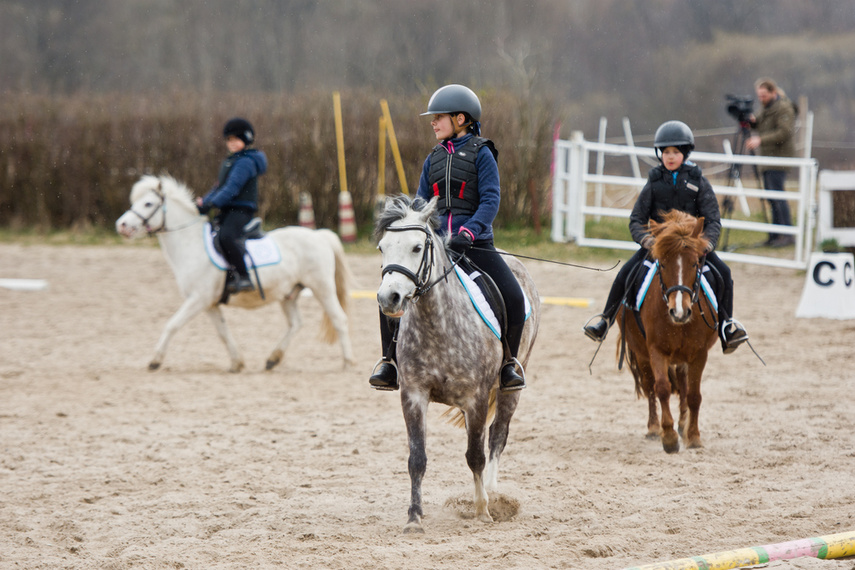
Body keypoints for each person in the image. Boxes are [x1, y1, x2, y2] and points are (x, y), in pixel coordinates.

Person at [369, 84, 528, 392]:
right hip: (436, 247)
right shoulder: (433, 158)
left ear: (460, 118)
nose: (432, 122)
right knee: (391, 291)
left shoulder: (483, 154)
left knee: (514, 297)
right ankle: (389, 362)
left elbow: (490, 200)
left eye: (438, 117)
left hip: (476, 245)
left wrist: (469, 232)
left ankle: (509, 363)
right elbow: (421, 201)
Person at [582, 120, 749, 354]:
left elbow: (712, 220)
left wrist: (707, 244)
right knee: (625, 273)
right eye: (666, 152)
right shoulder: (654, 181)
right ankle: (605, 321)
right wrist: (649, 241)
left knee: (725, 274)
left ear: (685, 153)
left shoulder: (698, 181)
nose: (670, 157)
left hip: (692, 248)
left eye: (675, 152)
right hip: (660, 247)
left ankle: (726, 327)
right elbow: (636, 220)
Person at [196, 117, 268, 294]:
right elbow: (218, 187)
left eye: (236, 139)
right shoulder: (230, 161)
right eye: (229, 140)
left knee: (226, 237)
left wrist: (213, 204)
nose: (232, 143)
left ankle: (244, 277)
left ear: (246, 139)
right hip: (228, 209)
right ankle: (226, 276)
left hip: (242, 210)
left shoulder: (246, 162)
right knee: (212, 236)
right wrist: (204, 202)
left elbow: (232, 188)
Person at [745, 77, 797, 247]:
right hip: (767, 159)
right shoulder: (766, 109)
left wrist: (760, 140)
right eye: (759, 96)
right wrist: (752, 123)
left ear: (773, 92)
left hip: (779, 159)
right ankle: (775, 235)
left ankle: (787, 234)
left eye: (764, 95)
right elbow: (759, 124)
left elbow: (784, 132)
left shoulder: (783, 108)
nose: (762, 99)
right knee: (771, 197)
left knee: (778, 197)